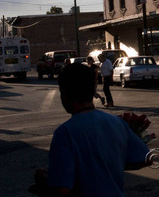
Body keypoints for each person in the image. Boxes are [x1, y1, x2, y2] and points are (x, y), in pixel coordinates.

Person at [30, 63, 150, 196]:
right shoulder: (117, 123)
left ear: (64, 93)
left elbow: (61, 189)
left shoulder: (65, 133)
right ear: (93, 90)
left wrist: (44, 180)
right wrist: (109, 165)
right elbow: (145, 158)